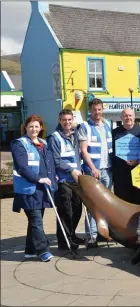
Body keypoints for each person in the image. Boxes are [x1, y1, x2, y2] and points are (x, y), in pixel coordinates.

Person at [11, 114, 57, 262]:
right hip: (28, 190)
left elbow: (49, 164)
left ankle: (30, 250)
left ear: (41, 128)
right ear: (25, 128)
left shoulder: (44, 143)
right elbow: (22, 168)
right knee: (36, 221)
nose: (34, 129)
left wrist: (52, 176)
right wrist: (38, 178)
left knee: (35, 221)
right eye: (31, 126)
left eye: (37, 126)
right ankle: (43, 250)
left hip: (41, 190)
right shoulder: (19, 144)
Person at [77, 98, 113, 247]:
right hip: (94, 171)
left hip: (108, 170)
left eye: (99, 109)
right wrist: (92, 168)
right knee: (92, 205)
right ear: (90, 110)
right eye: (94, 110)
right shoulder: (85, 126)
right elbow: (83, 150)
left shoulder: (108, 125)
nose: (97, 112)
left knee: (105, 204)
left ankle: (103, 233)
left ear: (102, 109)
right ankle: (91, 236)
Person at [47, 109, 84, 251]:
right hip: (63, 180)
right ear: (59, 120)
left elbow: (77, 157)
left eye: (69, 119)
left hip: (76, 179)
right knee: (65, 212)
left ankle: (72, 234)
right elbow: (55, 160)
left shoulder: (75, 135)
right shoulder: (54, 137)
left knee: (77, 209)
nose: (67, 122)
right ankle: (64, 241)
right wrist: (71, 170)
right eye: (64, 120)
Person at [112, 108, 140, 204]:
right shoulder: (114, 132)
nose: (128, 118)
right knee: (121, 203)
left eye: (130, 115)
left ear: (134, 116)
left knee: (137, 202)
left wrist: (138, 160)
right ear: (121, 117)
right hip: (120, 175)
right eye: (125, 115)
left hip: (138, 173)